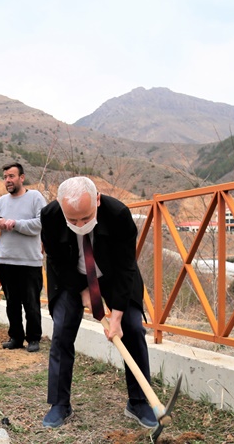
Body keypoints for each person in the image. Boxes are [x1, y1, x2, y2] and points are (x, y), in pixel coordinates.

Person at [39, 176, 156, 429]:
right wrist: (83, 291)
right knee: (62, 330)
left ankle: (138, 401)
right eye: (73, 220)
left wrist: (116, 316)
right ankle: (60, 403)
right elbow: (57, 261)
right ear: (60, 207)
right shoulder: (49, 216)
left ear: (98, 200)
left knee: (133, 328)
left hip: (113, 276)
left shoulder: (119, 215)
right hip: (70, 276)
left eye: (86, 217)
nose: (80, 224)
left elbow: (127, 267)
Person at [0, 163, 46, 352]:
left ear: (22, 178)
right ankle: (16, 338)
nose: (8, 180)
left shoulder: (35, 197)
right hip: (6, 260)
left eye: (11, 176)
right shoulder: (2, 201)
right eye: (5, 177)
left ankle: (34, 338)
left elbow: (41, 223)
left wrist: (16, 224)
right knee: (12, 304)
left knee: (31, 303)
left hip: (29, 261)